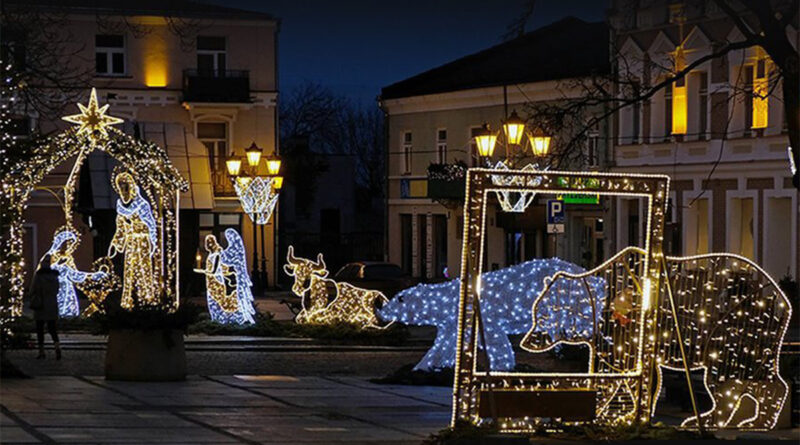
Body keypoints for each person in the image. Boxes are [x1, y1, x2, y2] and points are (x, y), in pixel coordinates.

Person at [29, 254, 62, 359]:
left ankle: (41, 352)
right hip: (52, 305)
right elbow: (57, 290)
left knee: (40, 329)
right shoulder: (54, 276)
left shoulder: (38, 276)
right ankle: (57, 347)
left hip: (41, 305)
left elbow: (32, 290)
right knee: (52, 328)